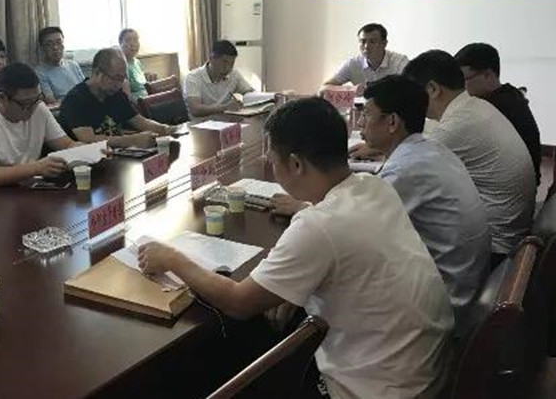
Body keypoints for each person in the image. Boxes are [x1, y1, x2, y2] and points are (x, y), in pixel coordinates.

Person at [139, 98, 453, 399]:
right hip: (425, 370)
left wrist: (172, 258)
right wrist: (297, 286)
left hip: (370, 389)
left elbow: (238, 302)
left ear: (296, 164)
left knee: (219, 353)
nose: (271, 165)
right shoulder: (373, 186)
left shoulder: (318, 227)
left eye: (273, 160)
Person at [361, 75, 490, 330]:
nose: (360, 122)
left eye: (366, 114)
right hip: (463, 283)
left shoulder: (405, 169)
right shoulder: (429, 149)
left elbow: (356, 230)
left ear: (392, 122)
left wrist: (304, 208)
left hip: (442, 305)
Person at [403, 50, 535, 266]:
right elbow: (431, 132)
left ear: (433, 89)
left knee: (399, 222)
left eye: (412, 95)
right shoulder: (474, 106)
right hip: (511, 230)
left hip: (494, 247)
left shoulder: (456, 126)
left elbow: (408, 167)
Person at [0, 63, 80, 194]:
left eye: (37, 99)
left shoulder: (38, 108)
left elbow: (67, 145)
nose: (33, 108)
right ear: (2, 97)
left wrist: (90, 150)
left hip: (26, 190)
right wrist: (36, 168)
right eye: (26, 103)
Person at [454, 42, 541, 185]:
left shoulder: (493, 109)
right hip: (521, 184)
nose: (459, 87)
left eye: (463, 80)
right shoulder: (510, 94)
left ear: (488, 75)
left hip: (509, 189)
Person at [59, 48, 177, 148]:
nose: (119, 85)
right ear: (97, 73)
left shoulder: (115, 94)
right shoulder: (75, 99)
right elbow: (88, 140)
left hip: (119, 154)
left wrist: (167, 129)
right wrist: (132, 140)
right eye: (116, 78)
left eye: (122, 79)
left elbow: (141, 122)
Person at [323, 23, 408, 94]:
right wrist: (351, 90)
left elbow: (411, 91)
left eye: (372, 42)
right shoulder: (353, 64)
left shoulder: (399, 62)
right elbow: (324, 88)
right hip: (363, 108)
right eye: (363, 41)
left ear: (384, 44)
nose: (366, 46)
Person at [183, 40, 254, 118]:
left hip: (225, 121)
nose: (228, 68)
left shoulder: (234, 74)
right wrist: (225, 107)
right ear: (211, 58)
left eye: (232, 63)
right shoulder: (192, 78)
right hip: (201, 123)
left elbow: (250, 92)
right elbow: (196, 109)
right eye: (224, 62)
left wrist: (249, 100)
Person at [34, 26, 86, 104]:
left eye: (59, 42)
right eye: (49, 44)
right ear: (42, 48)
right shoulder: (40, 72)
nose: (55, 47)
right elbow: (51, 101)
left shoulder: (73, 65)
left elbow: (86, 90)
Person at [119, 28, 151, 101]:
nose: (133, 44)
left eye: (136, 40)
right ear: (120, 43)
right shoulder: (121, 65)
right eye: (128, 40)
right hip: (139, 103)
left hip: (148, 99)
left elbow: (142, 85)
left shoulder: (137, 62)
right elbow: (128, 98)